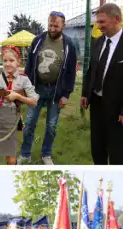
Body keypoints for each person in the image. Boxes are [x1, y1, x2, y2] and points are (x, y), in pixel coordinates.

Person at [19, 11, 78, 165]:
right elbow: (29, 65)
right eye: (50, 25)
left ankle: (46, 154)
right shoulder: (38, 40)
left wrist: (66, 95)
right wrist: (25, 86)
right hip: (36, 88)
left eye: (56, 26)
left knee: (51, 126)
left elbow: (71, 72)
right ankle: (25, 154)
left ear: (63, 26)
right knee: (30, 122)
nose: (52, 28)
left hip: (56, 92)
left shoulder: (69, 45)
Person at [80, 3, 123, 165]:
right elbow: (91, 71)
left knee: (117, 150)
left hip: (117, 108)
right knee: (97, 146)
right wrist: (85, 93)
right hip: (97, 104)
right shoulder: (98, 42)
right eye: (97, 22)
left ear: (117, 19)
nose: (99, 26)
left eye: (102, 22)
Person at [0, 46, 39, 165]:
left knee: (11, 159)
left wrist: (18, 97)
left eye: (11, 60)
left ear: (18, 62)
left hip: (11, 120)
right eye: (5, 61)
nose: (8, 64)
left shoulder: (24, 80)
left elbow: (34, 101)